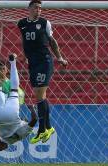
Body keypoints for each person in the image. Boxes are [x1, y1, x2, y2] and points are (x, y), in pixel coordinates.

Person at [17, 0, 68, 144]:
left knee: (39, 95)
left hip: (45, 62)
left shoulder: (45, 23)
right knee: (40, 96)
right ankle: (49, 127)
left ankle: (41, 130)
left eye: (40, 8)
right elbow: (26, 42)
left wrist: (59, 57)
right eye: (35, 8)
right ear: (29, 9)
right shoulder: (21, 24)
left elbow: (52, 42)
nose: (38, 10)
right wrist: (25, 56)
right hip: (32, 63)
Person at [0, 53, 37, 150]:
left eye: (3, 68)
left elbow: (33, 118)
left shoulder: (23, 132)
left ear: (7, 70)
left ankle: (12, 63)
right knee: (12, 89)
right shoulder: (12, 137)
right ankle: (12, 63)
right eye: (0, 69)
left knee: (2, 87)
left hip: (0, 108)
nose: (1, 71)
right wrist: (31, 106)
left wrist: (31, 108)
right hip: (5, 112)